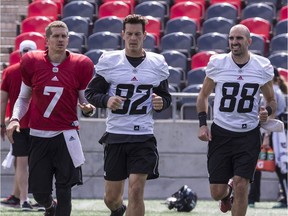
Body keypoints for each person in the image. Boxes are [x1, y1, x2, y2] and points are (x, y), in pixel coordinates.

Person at [85, 14, 171, 216]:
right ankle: (118, 210)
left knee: (136, 189)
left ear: (145, 35)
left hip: (143, 136)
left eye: (137, 34)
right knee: (112, 198)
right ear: (123, 35)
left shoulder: (156, 63)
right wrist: (106, 100)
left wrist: (161, 103)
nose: (133, 38)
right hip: (116, 135)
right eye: (130, 34)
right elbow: (91, 93)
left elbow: (166, 97)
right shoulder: (110, 61)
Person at [6, 21, 95, 216]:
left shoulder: (80, 64)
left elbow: (85, 102)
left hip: (67, 135)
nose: (60, 39)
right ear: (46, 40)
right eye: (56, 36)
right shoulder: (32, 62)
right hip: (39, 135)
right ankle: (49, 207)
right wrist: (14, 118)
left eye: (64, 36)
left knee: (65, 188)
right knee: (39, 193)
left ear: (68, 39)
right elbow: (23, 98)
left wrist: (89, 109)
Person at [196, 24, 277, 216]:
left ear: (249, 41)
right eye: (231, 38)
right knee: (216, 192)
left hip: (248, 134)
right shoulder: (218, 63)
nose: (234, 42)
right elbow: (203, 96)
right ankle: (226, 193)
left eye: (239, 38)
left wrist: (267, 111)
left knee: (242, 186)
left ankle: (235, 190)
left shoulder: (262, 66)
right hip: (221, 132)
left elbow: (271, 100)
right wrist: (202, 125)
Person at [1, 40, 38, 211]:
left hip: (18, 123)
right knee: (38, 162)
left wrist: (2, 123)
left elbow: (3, 99)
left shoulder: (10, 71)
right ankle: (34, 197)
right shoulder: (40, 70)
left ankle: (22, 198)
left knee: (21, 162)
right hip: (39, 124)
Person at [248, 68, 288, 208]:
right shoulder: (279, 91)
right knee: (278, 165)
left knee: (277, 166)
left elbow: (272, 116)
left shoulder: (273, 93)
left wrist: (266, 136)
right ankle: (253, 197)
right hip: (279, 133)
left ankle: (253, 198)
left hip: (273, 133)